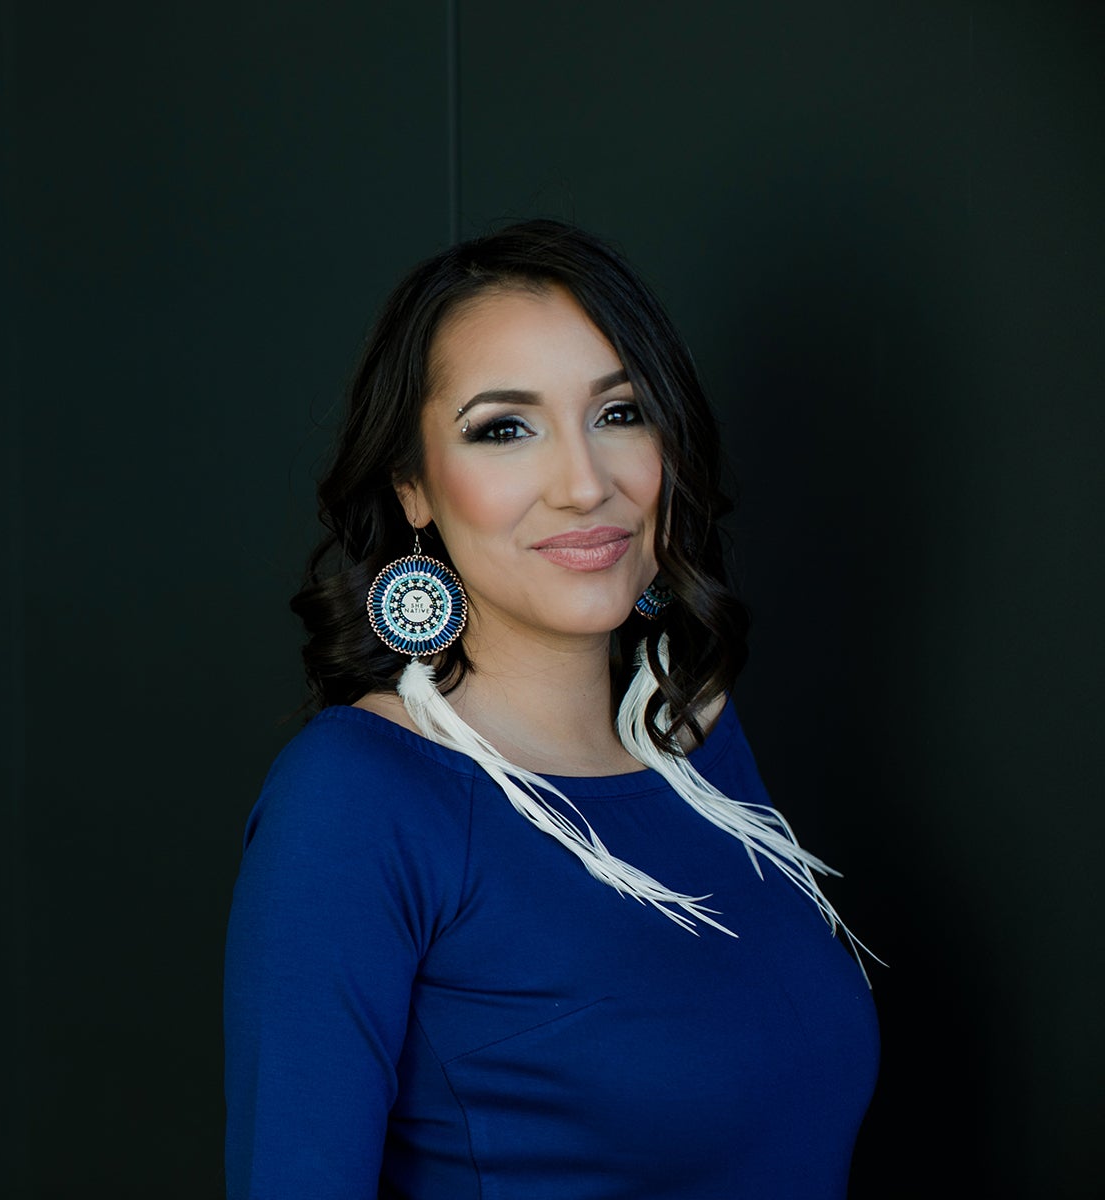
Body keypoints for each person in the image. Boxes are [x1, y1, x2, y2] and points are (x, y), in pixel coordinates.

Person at [222, 220, 878, 1199]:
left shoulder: (692, 737)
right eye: (505, 428)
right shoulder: (354, 802)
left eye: (620, 414)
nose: (585, 484)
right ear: (413, 484)